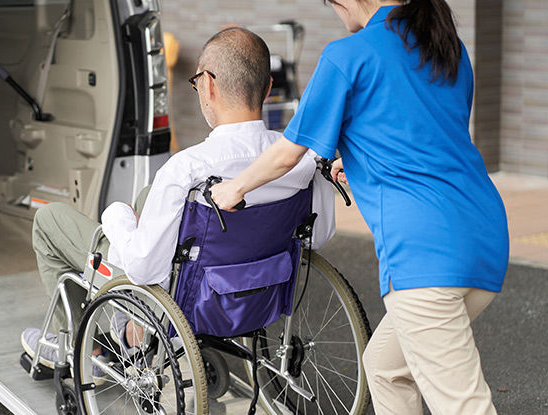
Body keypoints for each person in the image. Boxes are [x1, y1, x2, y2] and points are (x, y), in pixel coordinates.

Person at [211, 1, 509, 414]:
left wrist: (233, 188)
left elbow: (286, 154)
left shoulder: (347, 55)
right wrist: (362, 161)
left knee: (463, 405)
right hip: (485, 235)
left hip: (425, 255)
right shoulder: (446, 46)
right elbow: (425, 137)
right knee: (385, 367)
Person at [21, 27, 335, 370]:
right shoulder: (303, 159)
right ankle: (127, 332)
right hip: (259, 290)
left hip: (181, 298)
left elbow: (144, 268)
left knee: (50, 221)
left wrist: (116, 217)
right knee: (147, 196)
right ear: (269, 87)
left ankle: (91, 349)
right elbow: (317, 236)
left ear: (208, 86)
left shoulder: (188, 168)